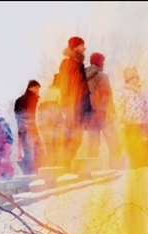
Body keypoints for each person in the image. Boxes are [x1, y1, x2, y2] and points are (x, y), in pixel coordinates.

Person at [56, 36, 92, 170]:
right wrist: (66, 105)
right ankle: (63, 166)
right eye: (82, 45)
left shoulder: (78, 64)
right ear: (75, 47)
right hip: (72, 105)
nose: (84, 48)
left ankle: (66, 165)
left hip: (80, 105)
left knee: (77, 138)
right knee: (72, 137)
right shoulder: (68, 63)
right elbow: (64, 85)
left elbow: (83, 88)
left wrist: (87, 109)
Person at [116, 66, 148, 169]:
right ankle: (135, 165)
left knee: (143, 144)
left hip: (142, 123)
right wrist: (121, 121)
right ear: (127, 80)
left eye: (136, 78)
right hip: (129, 123)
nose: (134, 80)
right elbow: (119, 106)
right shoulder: (123, 91)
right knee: (133, 144)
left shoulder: (140, 92)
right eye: (132, 78)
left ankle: (143, 164)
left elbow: (145, 107)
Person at [85, 52, 121, 169]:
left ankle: (92, 169)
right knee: (113, 140)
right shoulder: (102, 76)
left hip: (90, 113)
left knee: (93, 142)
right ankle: (115, 167)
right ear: (100, 62)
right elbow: (106, 95)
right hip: (102, 112)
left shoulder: (83, 77)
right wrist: (111, 111)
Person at [14, 80, 44, 175]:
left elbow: (17, 116)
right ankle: (33, 173)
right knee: (36, 151)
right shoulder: (32, 98)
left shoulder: (19, 100)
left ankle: (30, 173)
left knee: (29, 152)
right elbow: (32, 115)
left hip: (22, 130)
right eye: (36, 88)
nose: (37, 91)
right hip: (30, 129)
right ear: (31, 87)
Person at [37, 73, 64, 167]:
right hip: (53, 124)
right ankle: (54, 170)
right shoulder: (59, 91)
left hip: (43, 125)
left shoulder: (46, 92)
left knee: (49, 149)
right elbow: (60, 109)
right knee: (56, 148)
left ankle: (46, 170)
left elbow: (40, 109)